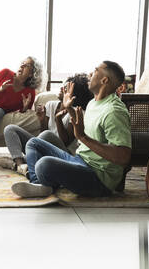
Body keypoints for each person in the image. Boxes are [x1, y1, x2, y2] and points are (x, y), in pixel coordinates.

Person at [11, 61, 131, 198]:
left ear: (104, 80)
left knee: (44, 164)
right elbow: (90, 131)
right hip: (80, 160)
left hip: (99, 177)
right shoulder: (94, 103)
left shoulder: (114, 111)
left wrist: (82, 137)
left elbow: (123, 157)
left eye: (96, 71)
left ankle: (43, 183)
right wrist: (68, 108)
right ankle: (39, 184)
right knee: (33, 143)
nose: (90, 74)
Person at [3, 73, 93, 176]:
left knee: (47, 135)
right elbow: (42, 134)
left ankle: (30, 162)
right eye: (63, 85)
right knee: (10, 129)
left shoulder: (76, 113)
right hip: (43, 147)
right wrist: (42, 120)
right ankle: (21, 165)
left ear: (74, 95)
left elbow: (65, 142)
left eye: (65, 88)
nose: (61, 88)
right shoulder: (51, 105)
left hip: (62, 153)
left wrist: (58, 119)